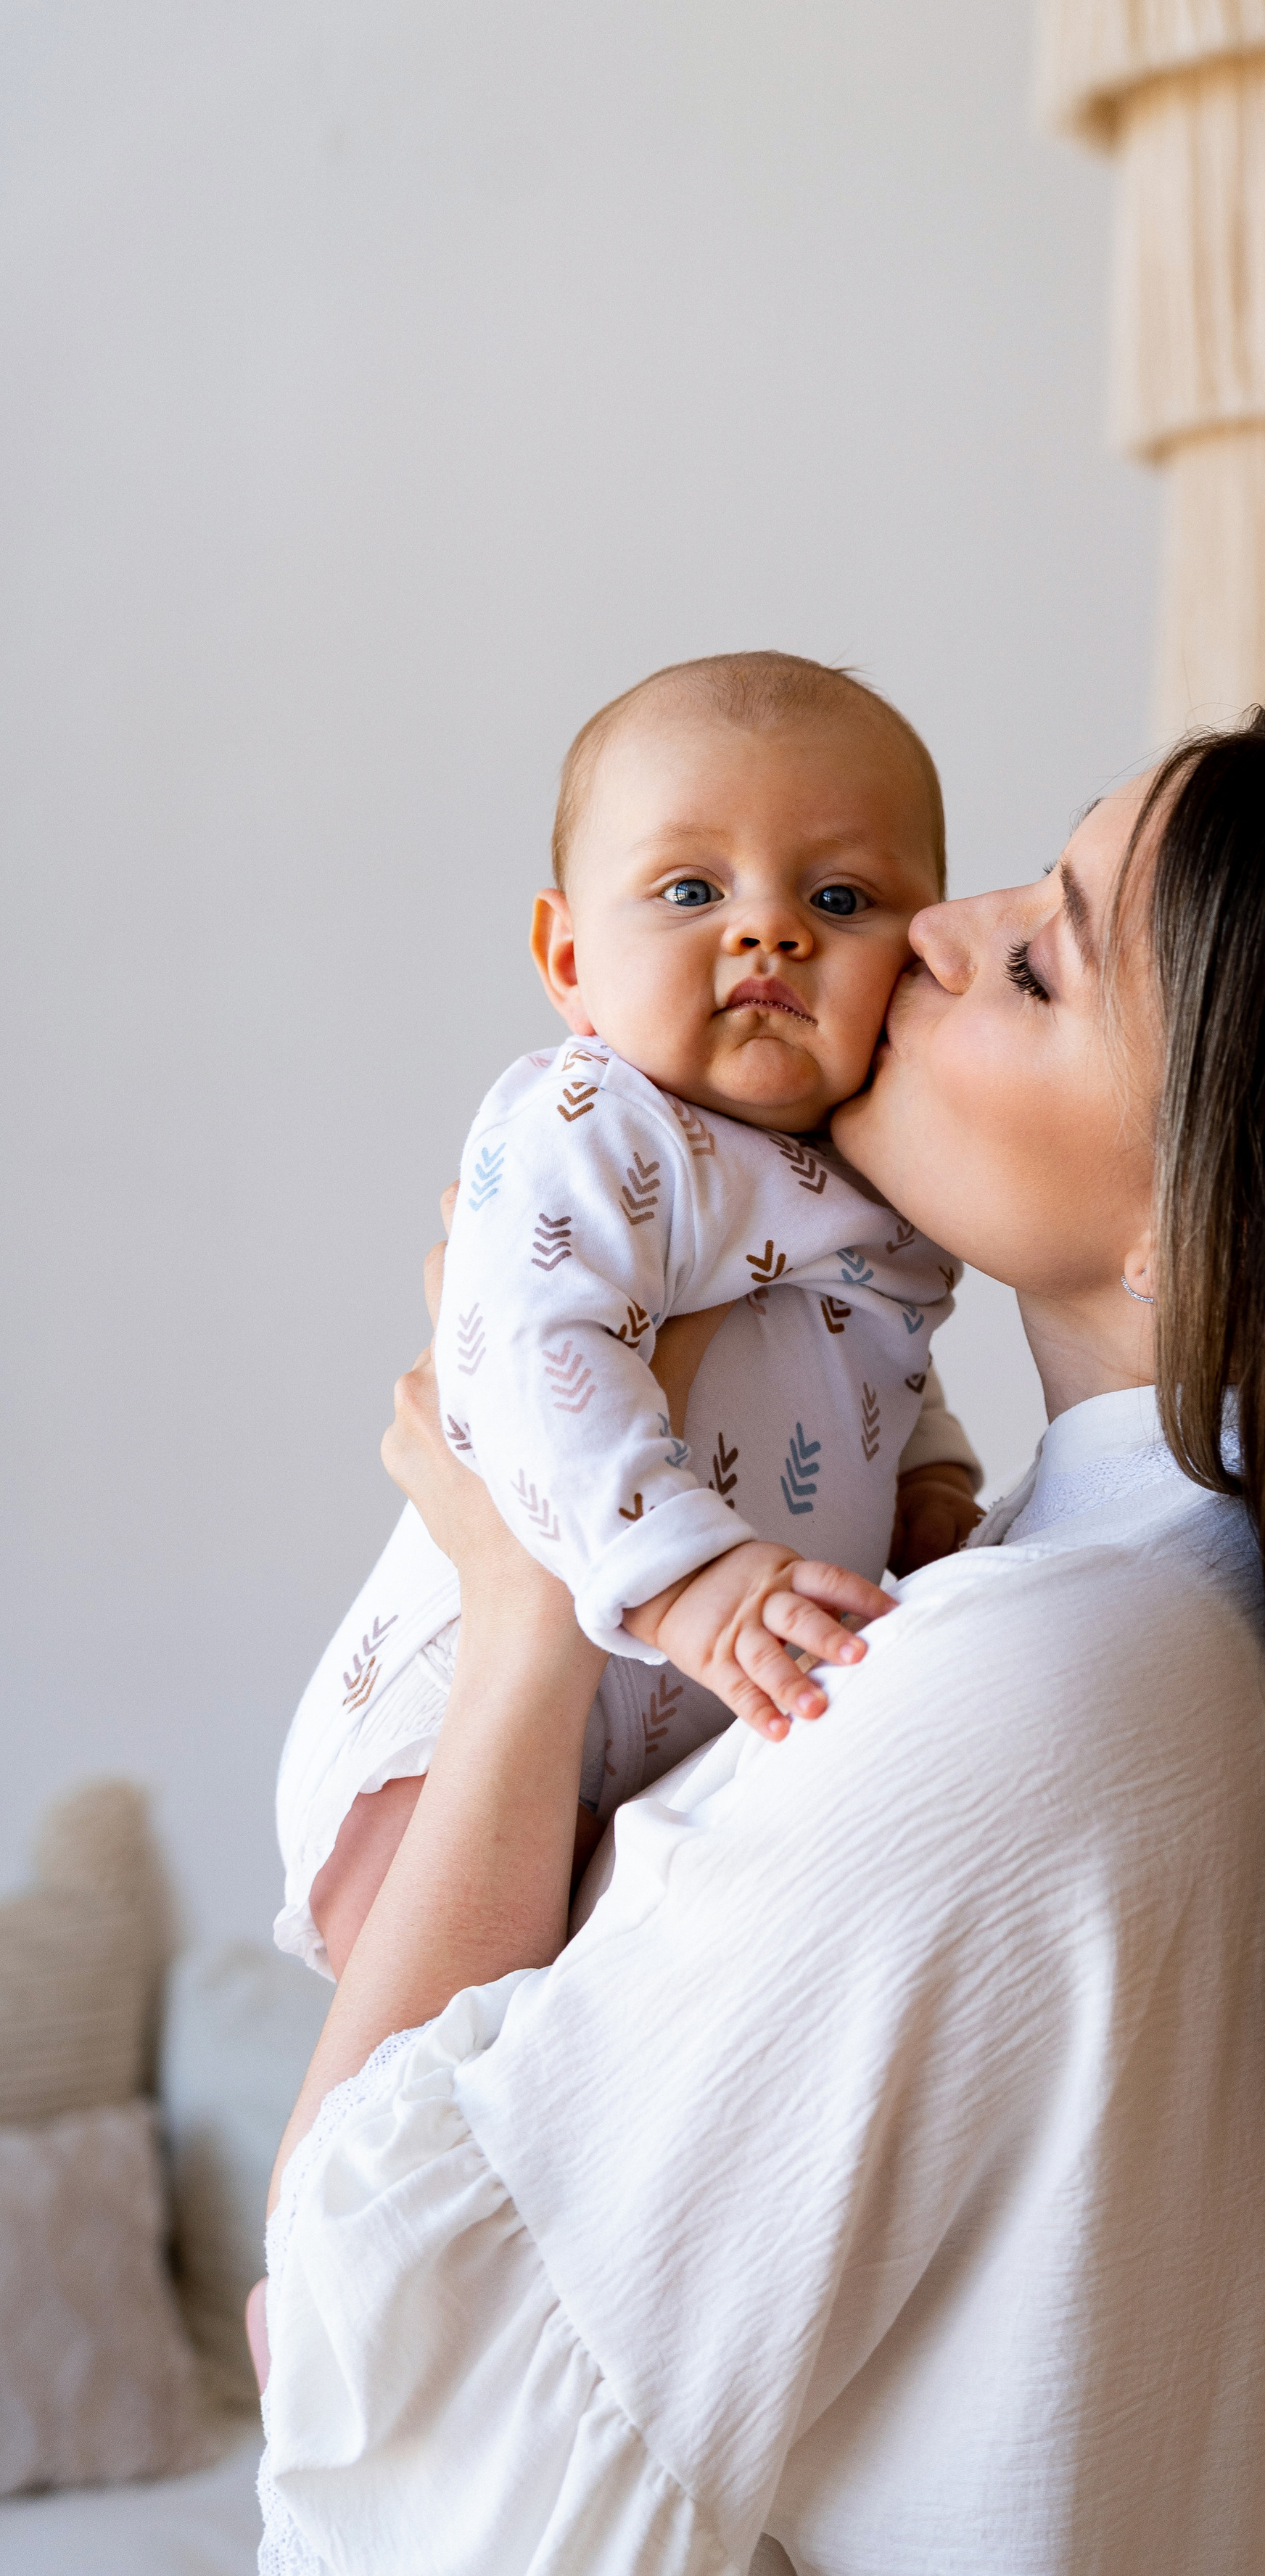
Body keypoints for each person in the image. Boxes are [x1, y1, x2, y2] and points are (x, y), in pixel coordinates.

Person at [255, 709, 1265, 2576]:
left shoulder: (1033, 1698)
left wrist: (529, 1608)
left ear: (1217, 1208)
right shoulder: (1237, 1638)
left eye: (1038, 961)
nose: (926, 933)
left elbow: (380, 2406)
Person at [273, 651, 982, 1984]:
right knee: (431, 1986)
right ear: (569, 958)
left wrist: (929, 1476)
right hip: (464, 1709)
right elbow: (526, 1354)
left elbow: (874, 1347)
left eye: (839, 898)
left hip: (692, 1713)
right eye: (692, 890)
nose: (769, 933)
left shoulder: (880, 1174)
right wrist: (686, 1577)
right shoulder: (596, 1120)